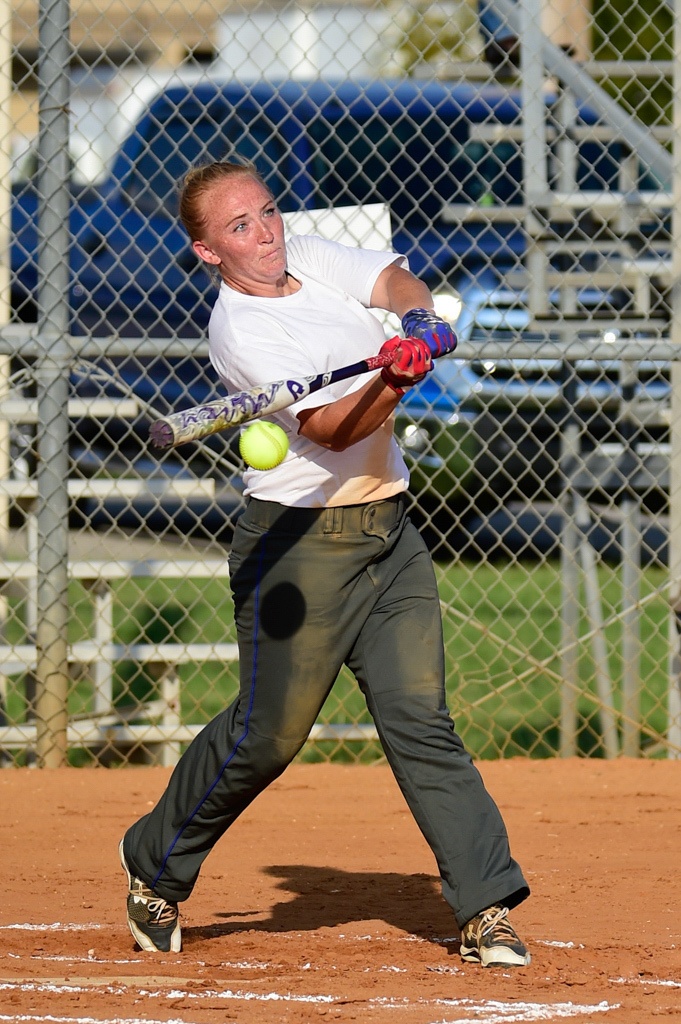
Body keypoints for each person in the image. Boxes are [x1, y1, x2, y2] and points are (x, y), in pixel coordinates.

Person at [119, 159, 531, 968]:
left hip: (389, 530)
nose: (265, 231)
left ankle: (484, 906)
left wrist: (417, 325)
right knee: (266, 737)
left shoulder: (306, 250)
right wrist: (396, 380)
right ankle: (153, 867)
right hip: (298, 547)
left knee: (420, 721)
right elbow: (338, 430)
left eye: (266, 212)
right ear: (208, 253)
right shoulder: (242, 333)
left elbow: (391, 277)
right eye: (239, 227)